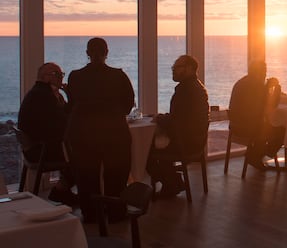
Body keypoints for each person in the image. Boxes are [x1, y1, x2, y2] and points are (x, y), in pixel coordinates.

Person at [65, 38, 135, 221]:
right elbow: (128, 104)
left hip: (83, 133)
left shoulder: (75, 76)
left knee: (86, 175)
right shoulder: (119, 76)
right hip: (114, 133)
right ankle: (115, 212)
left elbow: (72, 104)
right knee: (117, 174)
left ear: (87, 53)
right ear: (107, 52)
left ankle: (90, 213)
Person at [147, 55, 210, 197]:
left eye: (177, 67)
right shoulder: (197, 88)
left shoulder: (185, 91)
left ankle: (172, 183)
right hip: (196, 141)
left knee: (145, 150)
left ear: (189, 69)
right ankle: (172, 182)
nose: (173, 70)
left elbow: (177, 121)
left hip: (185, 143)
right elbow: (183, 117)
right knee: (155, 146)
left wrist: (159, 118)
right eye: (173, 67)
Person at [17, 62, 76, 205]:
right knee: (83, 157)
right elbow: (61, 124)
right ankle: (60, 191)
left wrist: (67, 97)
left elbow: (60, 119)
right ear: (47, 77)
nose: (61, 78)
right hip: (41, 151)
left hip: (33, 148)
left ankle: (63, 190)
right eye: (58, 75)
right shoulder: (44, 97)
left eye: (62, 74)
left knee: (76, 151)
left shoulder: (38, 93)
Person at [228, 60, 285, 170]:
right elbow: (270, 106)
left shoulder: (243, 81)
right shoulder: (257, 84)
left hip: (235, 126)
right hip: (248, 128)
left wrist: (266, 87)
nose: (265, 74)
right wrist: (276, 88)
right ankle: (256, 155)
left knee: (265, 126)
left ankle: (255, 153)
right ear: (261, 72)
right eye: (264, 71)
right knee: (282, 131)